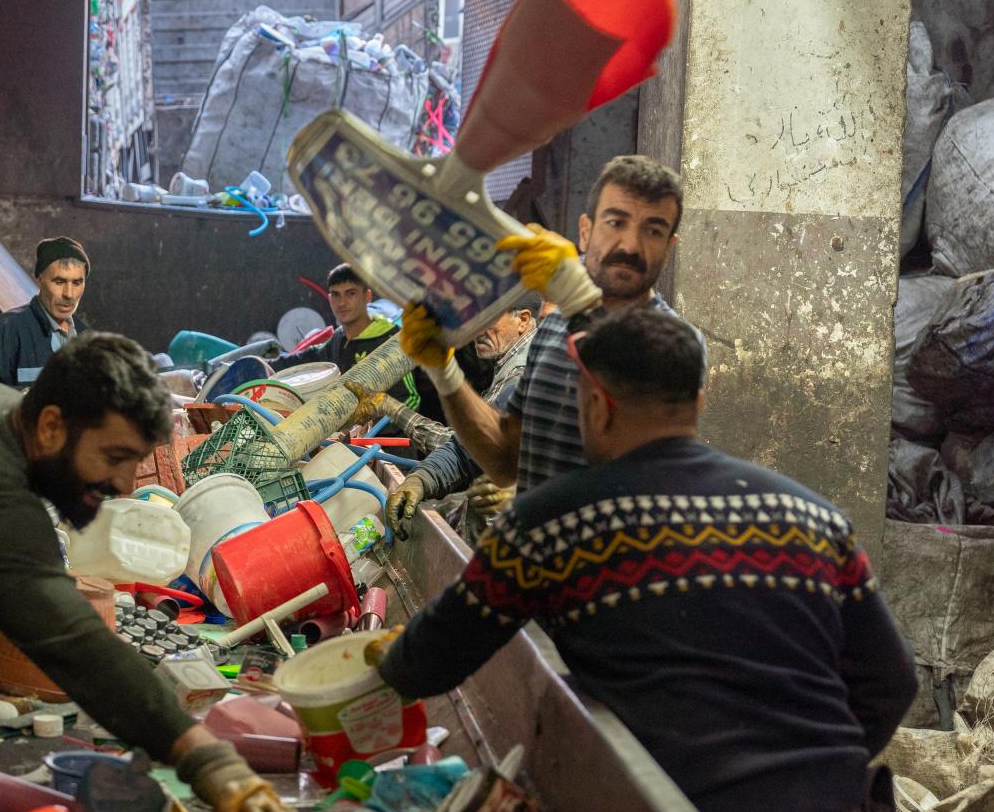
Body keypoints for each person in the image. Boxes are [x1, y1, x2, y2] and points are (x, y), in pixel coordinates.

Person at [370, 309, 916, 812]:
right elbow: (894, 684)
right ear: (697, 403)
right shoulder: (814, 517)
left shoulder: (550, 522)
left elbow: (424, 663)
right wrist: (800, 772)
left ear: (596, 403)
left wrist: (377, 657)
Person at [0, 333, 287, 812]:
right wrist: (210, 761)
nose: (126, 485)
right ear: (50, 427)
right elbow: (79, 645)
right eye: (113, 457)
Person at [400, 155, 696, 494]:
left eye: (653, 230)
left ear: (669, 247)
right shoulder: (554, 329)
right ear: (585, 232)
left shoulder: (680, 349)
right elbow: (503, 460)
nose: (630, 245)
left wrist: (576, 294)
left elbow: (630, 467)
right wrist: (443, 371)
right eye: (616, 223)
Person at [387, 295, 543, 542]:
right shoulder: (512, 365)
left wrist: (391, 409)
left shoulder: (522, 377)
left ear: (523, 320)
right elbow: (467, 448)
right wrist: (422, 478)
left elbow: (469, 448)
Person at [273, 264, 439, 417]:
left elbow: (410, 399)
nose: (342, 302)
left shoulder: (392, 341)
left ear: (367, 296)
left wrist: (369, 427)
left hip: (391, 445)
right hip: (351, 442)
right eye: (336, 295)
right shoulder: (338, 338)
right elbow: (310, 358)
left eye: (351, 293)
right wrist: (266, 366)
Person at [0, 236, 91, 386]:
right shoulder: (8, 327)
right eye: (59, 282)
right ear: (40, 279)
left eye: (77, 283)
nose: (69, 294)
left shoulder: (86, 337)